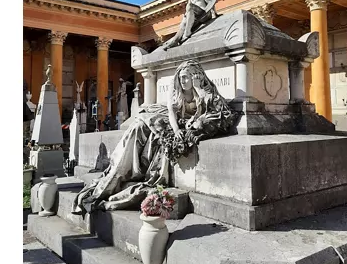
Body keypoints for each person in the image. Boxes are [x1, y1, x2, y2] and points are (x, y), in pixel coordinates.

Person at [72, 60, 234, 215]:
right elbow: (171, 112)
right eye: (181, 77)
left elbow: (212, 111)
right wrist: (176, 129)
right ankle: (123, 169)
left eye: (186, 77)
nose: (183, 80)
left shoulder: (204, 90)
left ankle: (132, 169)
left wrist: (199, 90)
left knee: (155, 136)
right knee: (140, 126)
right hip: (168, 117)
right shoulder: (176, 90)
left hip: (186, 121)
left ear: (195, 76)